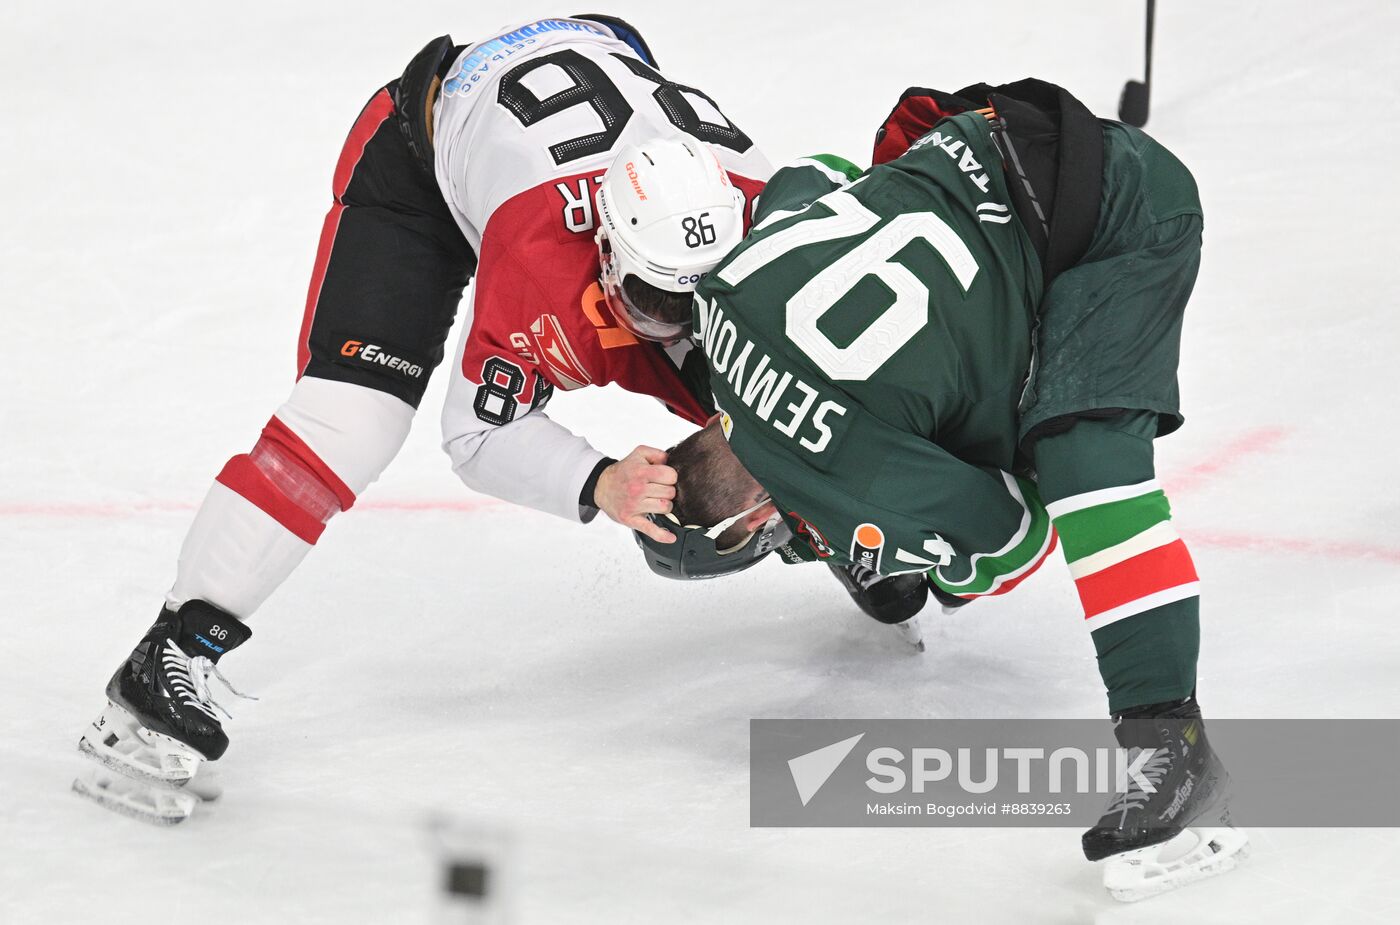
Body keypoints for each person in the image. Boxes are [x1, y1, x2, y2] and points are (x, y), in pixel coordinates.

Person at [75, 15, 771, 823]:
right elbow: (477, 431)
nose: (678, 323)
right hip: (423, 161)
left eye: (700, 299)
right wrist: (602, 482)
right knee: (350, 422)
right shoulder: (545, 254)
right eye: (655, 302)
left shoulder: (770, 215)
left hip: (577, 82)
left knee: (776, 385)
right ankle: (171, 648)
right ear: (608, 251)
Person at [634, 80, 1249, 899]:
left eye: (779, 543)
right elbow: (812, 175)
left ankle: (1175, 748)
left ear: (747, 527)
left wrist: (923, 558)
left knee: (1084, 468)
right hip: (994, 144)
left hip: (1120, 221)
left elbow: (1014, 536)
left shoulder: (833, 465)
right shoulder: (720, 300)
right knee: (961, 382)